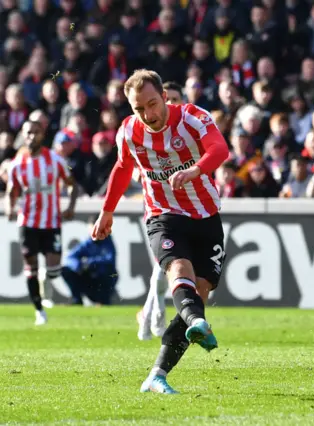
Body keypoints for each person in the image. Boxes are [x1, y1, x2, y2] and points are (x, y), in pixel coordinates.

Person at [91, 69, 229, 394]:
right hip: (163, 215)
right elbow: (123, 167)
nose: (148, 114)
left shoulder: (194, 118)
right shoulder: (128, 132)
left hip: (206, 217)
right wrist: (107, 211)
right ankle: (197, 322)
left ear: (165, 97)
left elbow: (220, 149)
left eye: (152, 104)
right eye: (139, 108)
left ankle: (157, 375)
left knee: (200, 291)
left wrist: (195, 170)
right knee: (178, 269)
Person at [5, 120, 78, 325]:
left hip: (51, 221)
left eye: (35, 133)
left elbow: (73, 185)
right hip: (27, 221)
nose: (31, 136)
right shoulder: (17, 163)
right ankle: (39, 310)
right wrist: (10, 209)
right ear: (23, 134)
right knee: (30, 267)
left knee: (53, 269)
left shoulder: (55, 159)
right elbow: (12, 191)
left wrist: (71, 207)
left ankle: (47, 282)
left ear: (42, 135)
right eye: (28, 132)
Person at [136, 81, 185, 341]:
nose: (173, 104)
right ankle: (155, 320)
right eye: (170, 99)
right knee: (161, 268)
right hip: (158, 213)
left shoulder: (187, 130)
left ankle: (147, 318)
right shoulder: (147, 133)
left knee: (164, 270)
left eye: (177, 99)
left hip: (187, 212)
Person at [62, 215, 117, 305]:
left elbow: (110, 260)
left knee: (110, 274)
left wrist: (89, 263)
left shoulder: (107, 242)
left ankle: (103, 301)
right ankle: (77, 301)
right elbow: (70, 258)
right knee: (66, 270)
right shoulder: (88, 242)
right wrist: (79, 265)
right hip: (89, 281)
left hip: (102, 283)